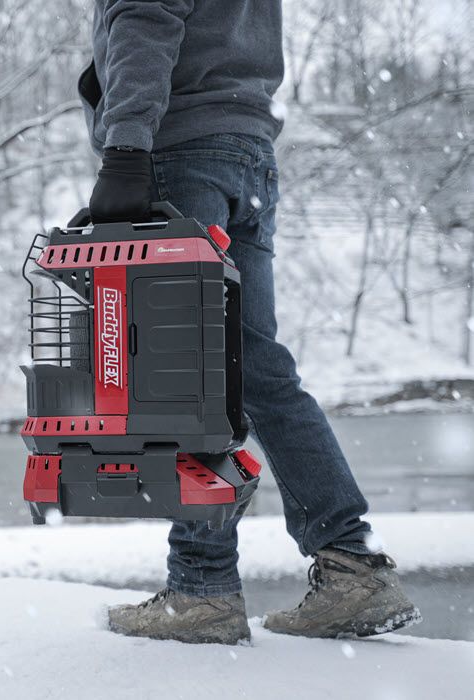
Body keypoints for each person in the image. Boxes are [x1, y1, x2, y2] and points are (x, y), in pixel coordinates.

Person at [78, 0, 420, 645]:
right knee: (253, 366)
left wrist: (125, 148)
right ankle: (353, 566)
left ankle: (202, 590)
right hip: (246, 153)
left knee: (188, 376)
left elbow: (145, 20)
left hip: (179, 152)